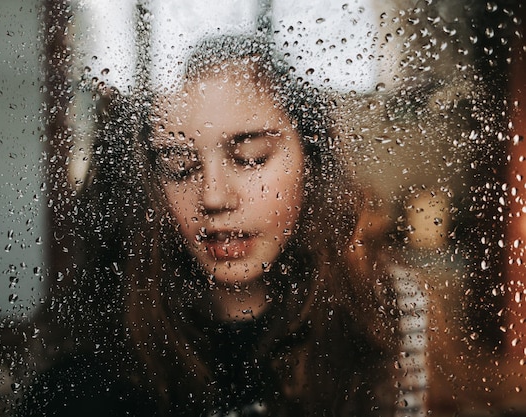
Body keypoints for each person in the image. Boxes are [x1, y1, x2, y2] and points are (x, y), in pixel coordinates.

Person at [20, 35, 396, 416]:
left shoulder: (383, 323)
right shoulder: (90, 376)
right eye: (179, 166)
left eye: (250, 157)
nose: (214, 197)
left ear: (310, 162)